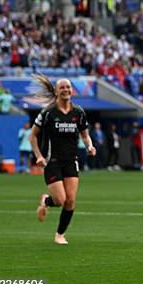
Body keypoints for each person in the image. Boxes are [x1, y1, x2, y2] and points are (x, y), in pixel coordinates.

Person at [29, 75, 96, 245]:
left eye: (68, 87)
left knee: (70, 200)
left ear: (72, 90)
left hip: (71, 160)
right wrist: (39, 156)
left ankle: (60, 234)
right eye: (62, 87)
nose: (66, 90)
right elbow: (33, 136)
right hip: (53, 161)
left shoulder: (78, 112)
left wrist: (90, 146)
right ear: (56, 92)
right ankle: (46, 200)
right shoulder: (48, 113)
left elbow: (85, 135)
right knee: (59, 200)